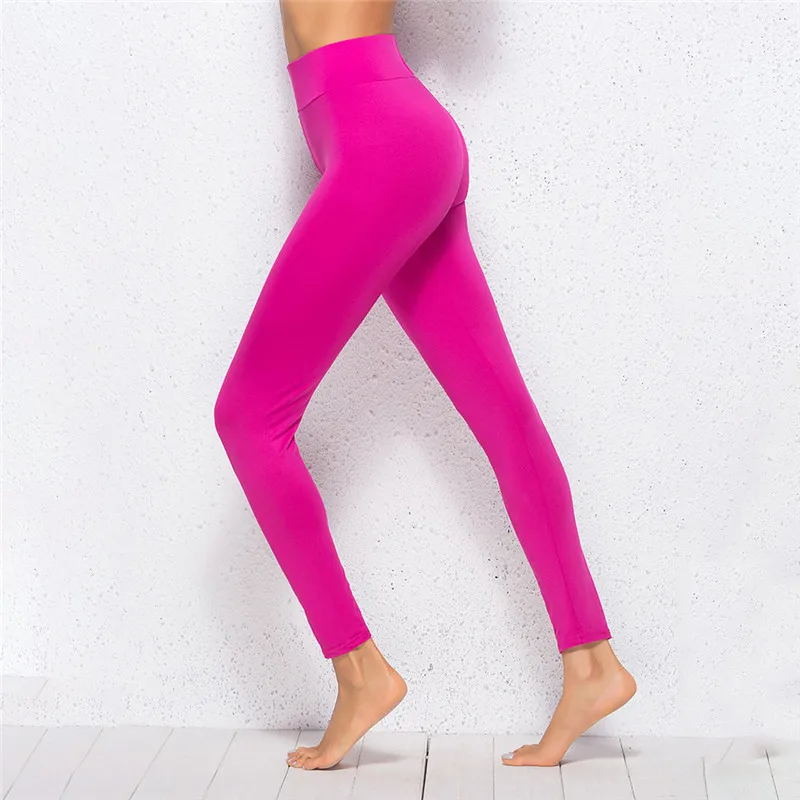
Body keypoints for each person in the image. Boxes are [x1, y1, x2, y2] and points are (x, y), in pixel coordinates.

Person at [213, 0, 637, 772]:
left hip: (378, 141)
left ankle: (360, 672)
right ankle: (592, 664)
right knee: (504, 414)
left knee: (249, 418)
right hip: (386, 138)